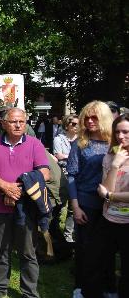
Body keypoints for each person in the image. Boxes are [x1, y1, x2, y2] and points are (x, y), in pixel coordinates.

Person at [0, 107, 50, 298]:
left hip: (26, 208)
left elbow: (45, 172)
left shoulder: (35, 144)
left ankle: (29, 292)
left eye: (22, 121)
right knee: (1, 250)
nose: (18, 125)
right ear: (4, 123)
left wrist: (18, 189)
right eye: (13, 121)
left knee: (28, 253)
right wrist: (5, 187)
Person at [66, 101, 113, 298]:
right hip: (85, 204)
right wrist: (75, 207)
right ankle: (81, 288)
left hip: (111, 205)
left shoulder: (115, 143)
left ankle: (108, 288)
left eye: (95, 117)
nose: (90, 121)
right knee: (85, 249)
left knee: (108, 250)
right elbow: (71, 176)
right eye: (87, 117)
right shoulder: (80, 144)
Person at [82, 113, 129, 298]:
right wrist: (116, 165)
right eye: (117, 132)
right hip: (109, 218)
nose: (120, 137)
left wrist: (111, 195)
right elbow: (104, 188)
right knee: (94, 261)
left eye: (126, 132)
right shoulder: (111, 156)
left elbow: (107, 193)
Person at [53, 114, 79, 243]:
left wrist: (66, 156)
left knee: (73, 207)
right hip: (63, 175)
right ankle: (55, 234)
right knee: (60, 205)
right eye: (73, 124)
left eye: (78, 124)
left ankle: (69, 235)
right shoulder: (59, 139)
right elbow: (58, 156)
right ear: (66, 125)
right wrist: (74, 157)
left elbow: (63, 156)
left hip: (76, 176)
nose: (76, 126)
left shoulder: (81, 139)